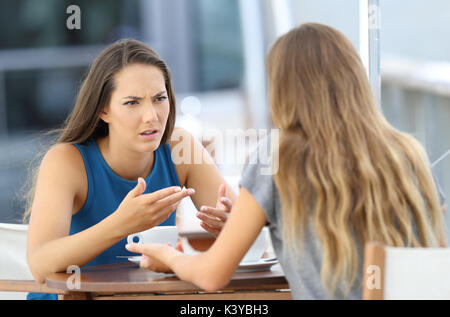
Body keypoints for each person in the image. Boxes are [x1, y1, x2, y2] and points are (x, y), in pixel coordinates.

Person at [126, 23, 447, 299]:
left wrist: (169, 258)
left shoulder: (278, 156)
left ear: (283, 90)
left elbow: (212, 275)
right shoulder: (407, 153)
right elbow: (435, 262)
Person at [24, 39, 236, 300]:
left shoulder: (181, 148)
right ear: (103, 110)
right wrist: (121, 224)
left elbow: (251, 245)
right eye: (132, 103)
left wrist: (235, 232)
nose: (151, 116)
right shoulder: (66, 161)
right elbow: (39, 265)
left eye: (159, 98)